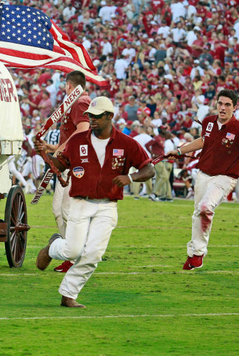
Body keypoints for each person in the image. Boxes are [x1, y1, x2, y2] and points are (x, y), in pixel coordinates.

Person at [36, 97, 155, 307]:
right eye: (90, 116)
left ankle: (68, 295)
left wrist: (131, 178)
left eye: (98, 117)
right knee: (72, 251)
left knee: (93, 254)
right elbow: (60, 166)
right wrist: (45, 153)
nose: (92, 120)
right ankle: (53, 246)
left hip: (108, 205)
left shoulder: (127, 143)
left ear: (110, 116)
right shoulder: (76, 140)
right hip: (80, 202)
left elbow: (149, 169)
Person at [169, 89, 239, 270]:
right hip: (203, 174)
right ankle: (194, 254)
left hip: (225, 177)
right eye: (220, 103)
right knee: (198, 211)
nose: (222, 108)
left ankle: (198, 253)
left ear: (235, 108)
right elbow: (203, 141)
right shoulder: (208, 122)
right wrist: (181, 150)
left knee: (206, 207)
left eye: (227, 105)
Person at [33, 70, 91, 273]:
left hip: (76, 164)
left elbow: (83, 129)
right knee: (59, 209)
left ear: (69, 86)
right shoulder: (75, 102)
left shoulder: (80, 101)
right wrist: (49, 148)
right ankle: (71, 251)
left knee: (67, 210)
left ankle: (75, 255)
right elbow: (69, 137)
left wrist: (61, 148)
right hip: (68, 162)